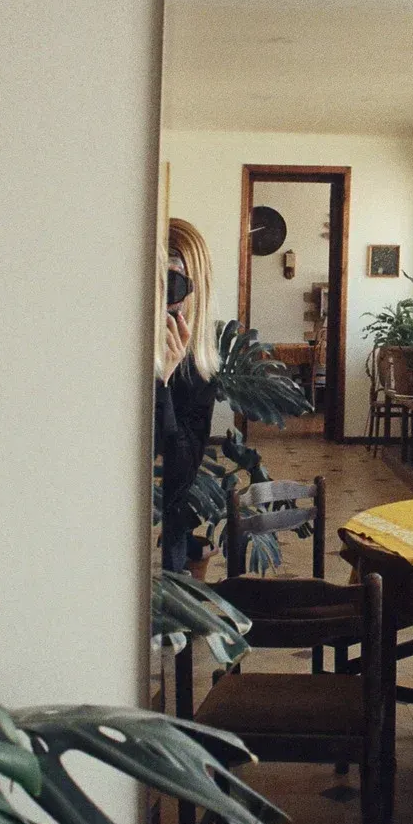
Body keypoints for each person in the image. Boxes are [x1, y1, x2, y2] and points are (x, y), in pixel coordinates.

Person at [154, 219, 221, 573]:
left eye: (172, 282)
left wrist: (161, 383)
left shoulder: (197, 371)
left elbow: (178, 475)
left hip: (163, 541)